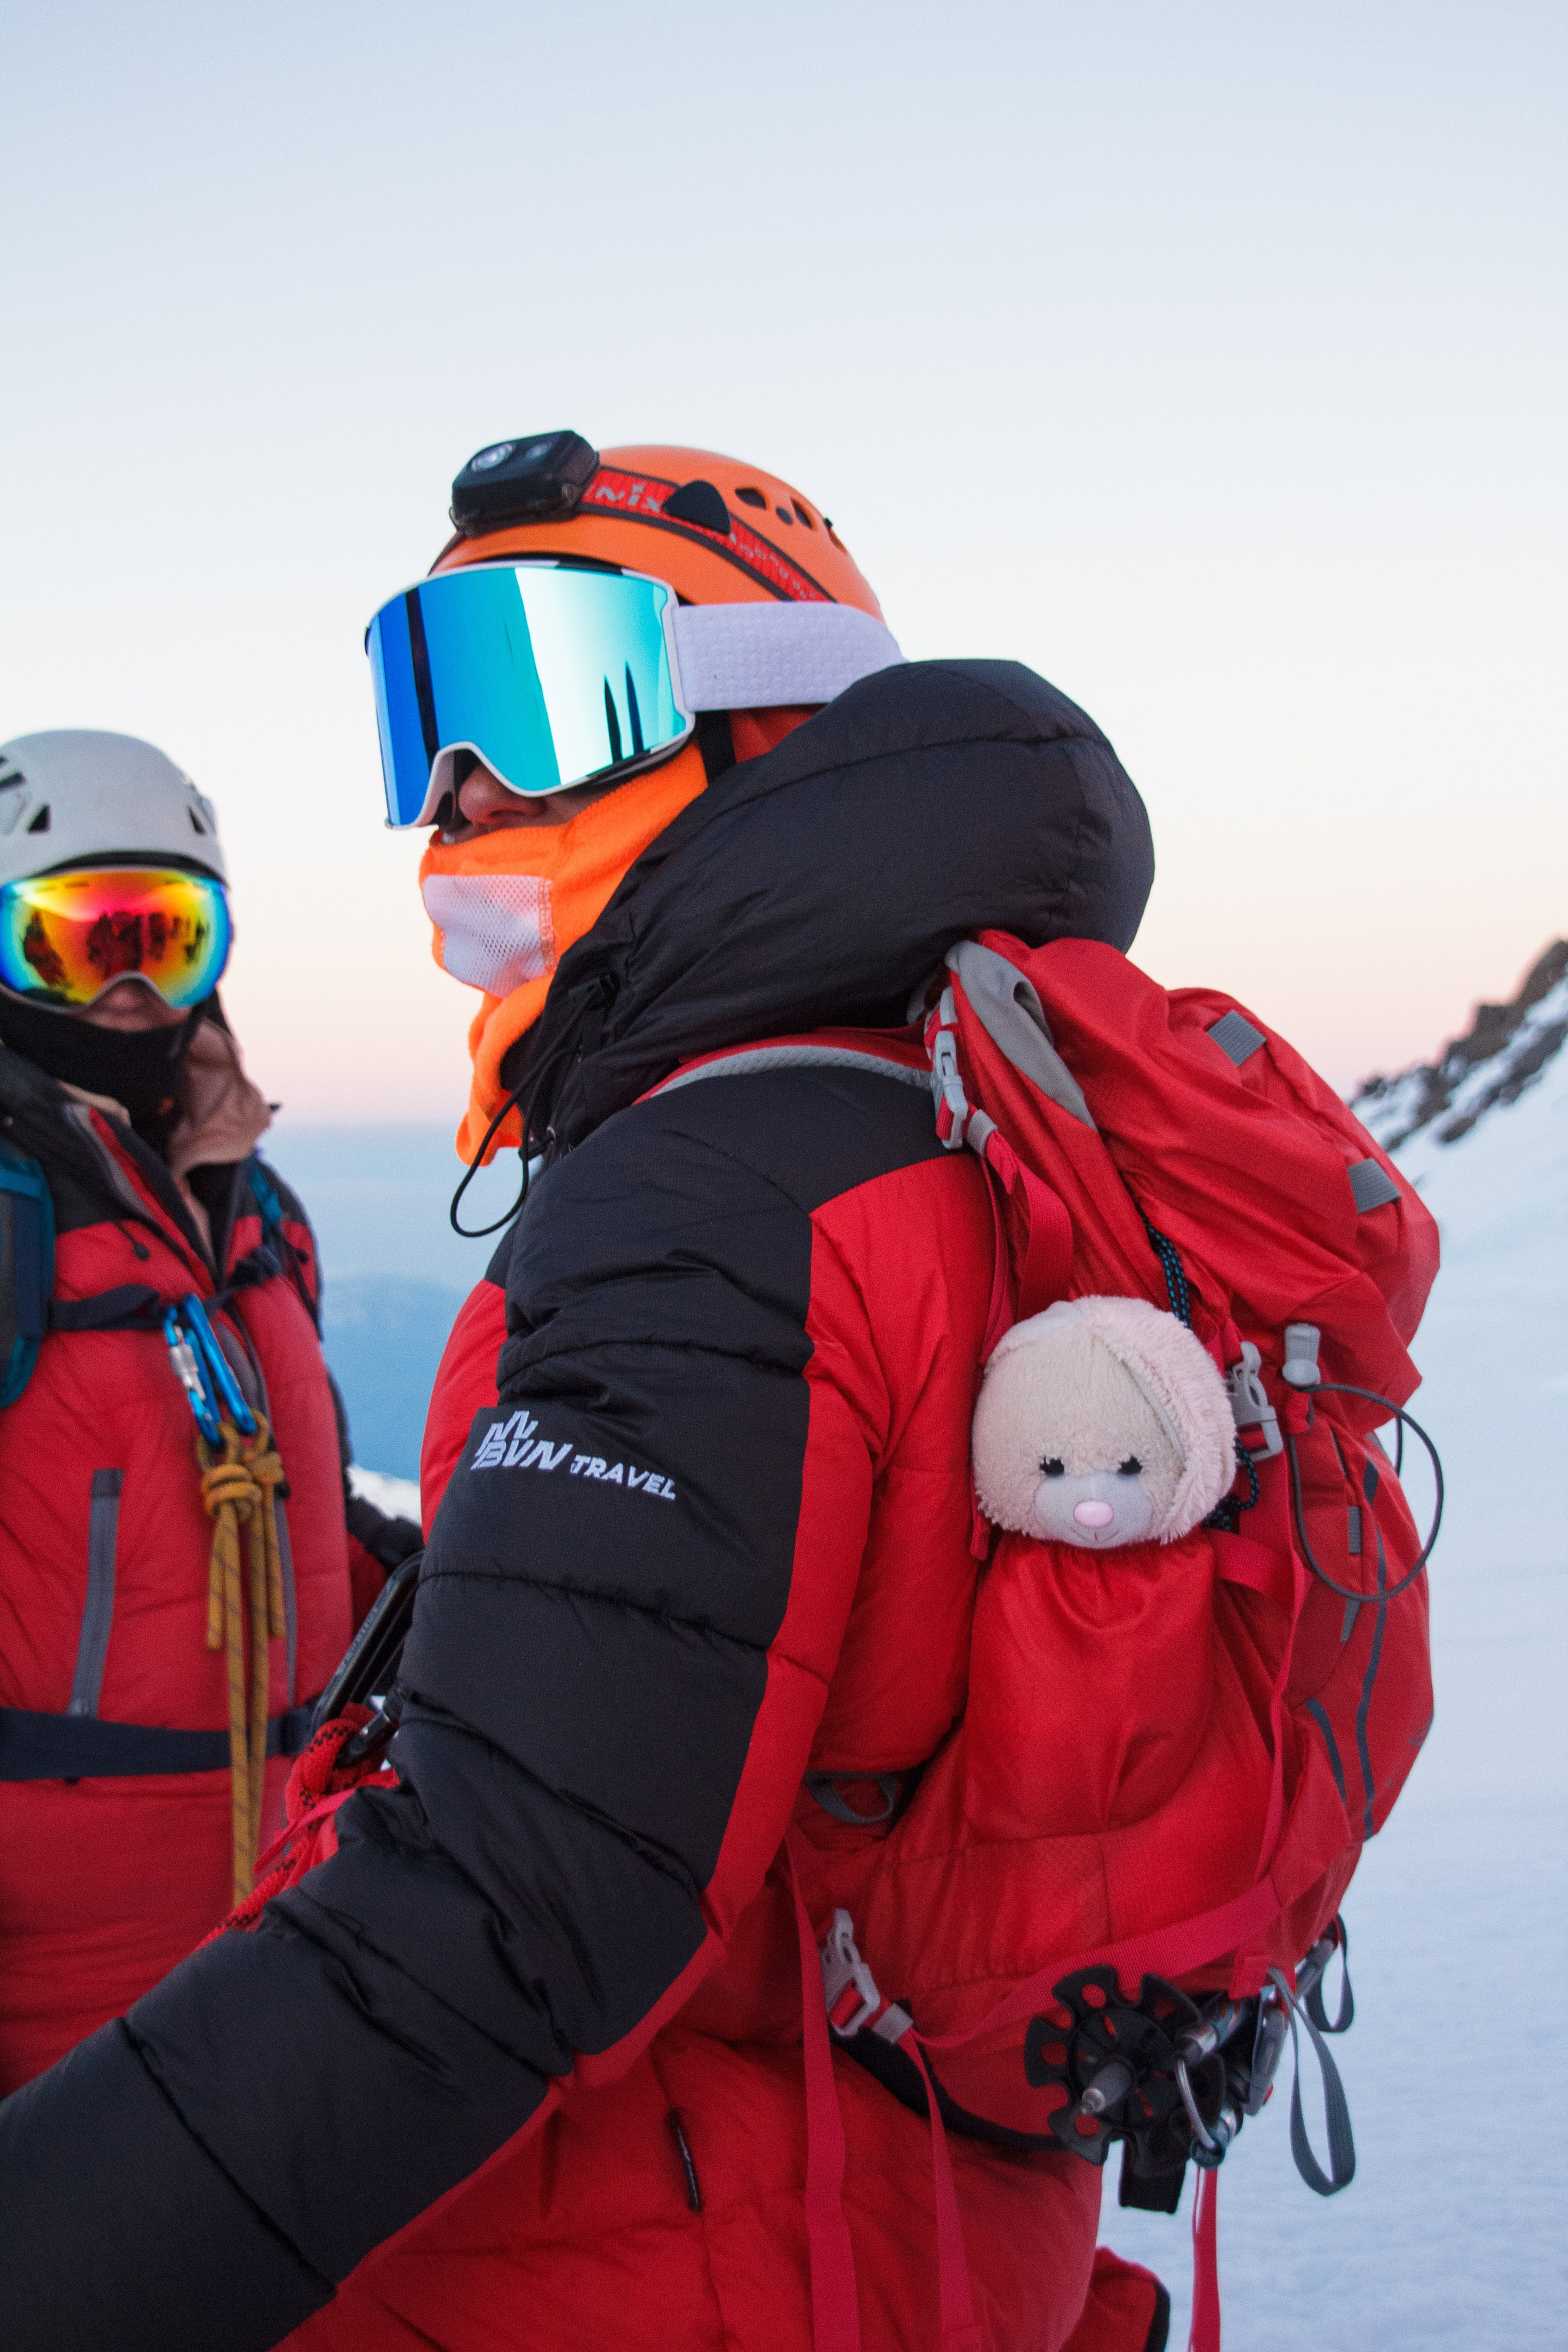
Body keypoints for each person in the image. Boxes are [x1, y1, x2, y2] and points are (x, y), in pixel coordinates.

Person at [0, 448, 1171, 2350]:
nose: (454, 791)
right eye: (431, 720)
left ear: (769, 705)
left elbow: (507, 1899)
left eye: (536, 696)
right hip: (877, 2204)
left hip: (670, 2232)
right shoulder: (934, 1104)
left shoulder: (711, 1180)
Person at [0, 729, 417, 2096]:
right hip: (52, 1964)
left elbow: (264, 1484)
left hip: (277, 1910)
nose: (126, 988)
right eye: (75, 943)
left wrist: (415, 1589)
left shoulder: (249, 1207)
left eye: (166, 939)